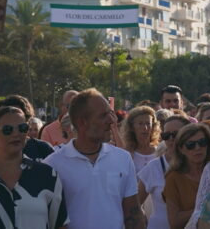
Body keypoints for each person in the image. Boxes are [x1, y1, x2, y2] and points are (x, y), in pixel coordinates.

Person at [43, 89, 142, 229]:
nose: (111, 120)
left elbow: (134, 214)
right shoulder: (52, 165)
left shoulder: (123, 159)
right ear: (83, 122)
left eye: (110, 113)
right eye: (103, 116)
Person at [0, 95, 55, 166]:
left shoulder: (43, 150)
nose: (15, 133)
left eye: (20, 126)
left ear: (27, 122)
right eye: (7, 128)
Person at [163, 123, 210, 229]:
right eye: (190, 145)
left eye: (202, 142)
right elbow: (174, 221)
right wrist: (203, 209)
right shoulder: (174, 178)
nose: (197, 148)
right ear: (181, 149)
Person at [140, 115, 188, 229]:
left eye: (175, 134)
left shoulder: (199, 165)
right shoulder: (153, 167)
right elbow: (134, 204)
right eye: (166, 135)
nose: (171, 139)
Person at [123, 106, 161, 174]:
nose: (145, 128)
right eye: (140, 124)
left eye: (148, 123)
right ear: (132, 127)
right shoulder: (127, 153)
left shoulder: (159, 152)